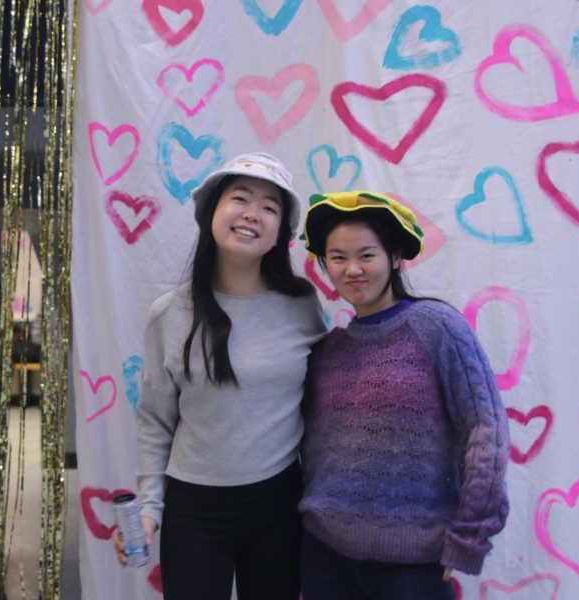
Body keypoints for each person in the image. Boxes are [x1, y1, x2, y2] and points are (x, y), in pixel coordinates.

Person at [112, 152, 327, 599]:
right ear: (212, 211)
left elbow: (324, 403)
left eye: (270, 207)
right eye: (240, 198)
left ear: (279, 235)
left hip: (279, 506)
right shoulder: (170, 313)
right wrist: (149, 507)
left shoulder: (301, 305)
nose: (252, 213)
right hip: (195, 511)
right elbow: (154, 420)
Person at [297, 191, 510, 600]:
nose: (352, 269)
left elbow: (485, 429)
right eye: (337, 257)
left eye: (366, 255)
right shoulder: (328, 349)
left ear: (395, 257)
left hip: (413, 567)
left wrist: (470, 534)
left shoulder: (437, 327)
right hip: (323, 559)